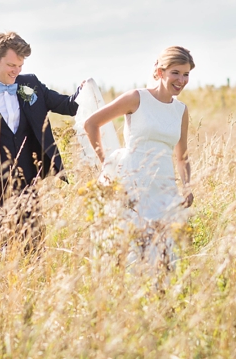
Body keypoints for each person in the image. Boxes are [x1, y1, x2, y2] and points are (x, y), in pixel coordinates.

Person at [0, 32, 82, 236]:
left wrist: (85, 89)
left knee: (34, 247)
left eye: (20, 66)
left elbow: (67, 105)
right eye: (11, 65)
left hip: (27, 183)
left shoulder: (30, 84)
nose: (16, 71)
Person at [81, 46, 195, 268]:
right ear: (160, 72)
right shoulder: (137, 98)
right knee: (131, 250)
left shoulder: (181, 110)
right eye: (176, 72)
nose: (181, 80)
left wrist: (187, 186)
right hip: (132, 182)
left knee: (164, 254)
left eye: (186, 74)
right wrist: (106, 163)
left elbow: (182, 157)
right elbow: (91, 124)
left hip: (164, 188)